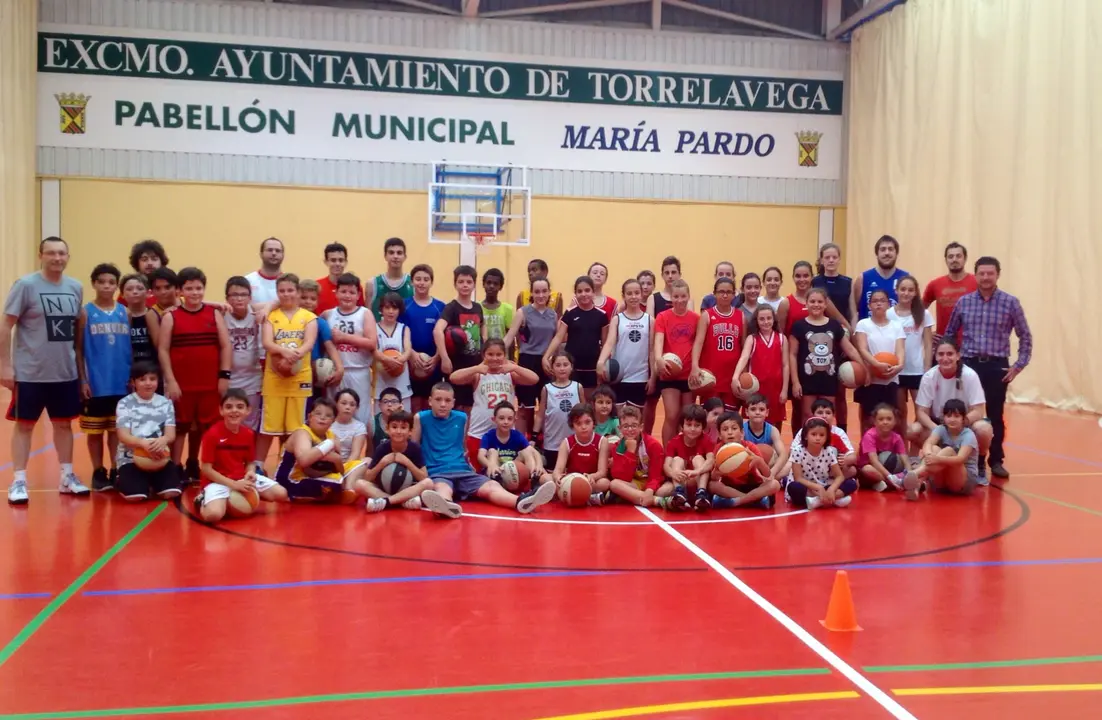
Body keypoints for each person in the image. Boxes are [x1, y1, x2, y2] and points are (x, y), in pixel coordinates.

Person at [2, 237, 87, 503]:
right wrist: (5, 365)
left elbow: (76, 330)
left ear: (68, 256)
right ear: (41, 255)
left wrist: (78, 368)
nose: (57, 258)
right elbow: (6, 326)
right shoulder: (26, 285)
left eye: (62, 253)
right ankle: (18, 481)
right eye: (51, 253)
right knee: (25, 426)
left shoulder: (75, 287)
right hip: (30, 373)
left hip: (64, 372)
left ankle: (67, 476)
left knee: (63, 425)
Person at [943, 256, 1031, 479]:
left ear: (998, 274)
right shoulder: (964, 302)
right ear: (976, 274)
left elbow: (1025, 336)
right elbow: (950, 333)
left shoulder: (1011, 303)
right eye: (981, 273)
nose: (985, 277)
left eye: (990, 273)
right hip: (969, 366)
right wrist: (954, 359)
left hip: (996, 367)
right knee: (967, 414)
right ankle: (973, 459)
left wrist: (1018, 366)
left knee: (994, 415)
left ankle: (996, 460)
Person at [413, 382, 556, 518]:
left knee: (491, 486)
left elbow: (462, 446)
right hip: (437, 471)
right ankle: (446, 506)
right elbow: (413, 449)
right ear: (430, 401)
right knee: (442, 488)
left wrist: (467, 462)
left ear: (453, 402)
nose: (443, 404)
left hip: (462, 470)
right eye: (438, 400)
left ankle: (521, 501)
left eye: (447, 400)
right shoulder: (421, 418)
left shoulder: (461, 418)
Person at [158, 267, 231, 486]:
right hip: (182, 384)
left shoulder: (213, 314)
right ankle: (175, 466)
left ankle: (195, 463)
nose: (194, 292)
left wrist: (224, 375)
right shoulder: (171, 317)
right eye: (189, 288)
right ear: (180, 290)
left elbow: (226, 345)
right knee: (180, 427)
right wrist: (170, 380)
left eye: (198, 288)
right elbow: (163, 350)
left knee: (204, 427)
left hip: (209, 383)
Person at [77, 263, 132, 492]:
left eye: (111, 282)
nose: (107, 286)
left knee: (115, 432)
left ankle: (116, 469)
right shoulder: (85, 312)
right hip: (96, 382)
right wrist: (83, 380)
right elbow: (78, 349)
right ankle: (98, 471)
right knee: (94, 432)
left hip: (120, 381)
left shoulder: (124, 312)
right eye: (102, 282)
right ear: (94, 284)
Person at [197, 389, 288, 522]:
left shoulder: (248, 434)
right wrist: (233, 485)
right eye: (229, 407)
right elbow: (206, 469)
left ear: (248, 410)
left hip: (240, 479)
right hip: (217, 481)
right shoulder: (212, 435)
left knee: (281, 494)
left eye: (240, 407)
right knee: (213, 516)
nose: (234, 410)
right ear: (221, 410)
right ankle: (201, 500)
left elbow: (250, 462)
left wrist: (250, 472)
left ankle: (235, 500)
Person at [909, 339, 993, 481]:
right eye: (941, 354)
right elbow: (921, 412)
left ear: (958, 356)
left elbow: (978, 410)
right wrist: (938, 429)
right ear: (935, 356)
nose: (945, 358)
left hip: (963, 425)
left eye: (950, 354)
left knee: (984, 429)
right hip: (938, 423)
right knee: (913, 430)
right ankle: (922, 462)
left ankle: (980, 461)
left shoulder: (969, 375)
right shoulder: (929, 377)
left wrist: (960, 424)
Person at [257, 273, 317, 471]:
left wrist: (296, 354)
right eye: (281, 291)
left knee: (295, 429)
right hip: (274, 380)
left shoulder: (308, 317)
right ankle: (258, 466)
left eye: (290, 290)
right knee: (268, 428)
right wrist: (286, 352)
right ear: (277, 293)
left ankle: (286, 467)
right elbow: (267, 342)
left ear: (298, 292)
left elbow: (309, 342)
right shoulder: (271, 316)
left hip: (299, 380)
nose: (286, 294)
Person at [450, 339, 539, 467]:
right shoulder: (478, 374)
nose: (494, 358)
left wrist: (515, 367)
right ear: (483, 355)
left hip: (505, 432)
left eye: (499, 354)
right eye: (490, 354)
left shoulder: (510, 374)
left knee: (506, 471)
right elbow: (454, 378)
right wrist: (476, 368)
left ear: (504, 355)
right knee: (479, 471)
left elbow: (534, 379)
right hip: (479, 431)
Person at [790, 287, 861, 422]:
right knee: (808, 416)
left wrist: (864, 366)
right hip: (807, 380)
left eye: (820, 302)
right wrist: (795, 382)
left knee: (827, 416)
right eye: (812, 301)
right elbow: (792, 355)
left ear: (826, 304)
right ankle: (808, 442)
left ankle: (827, 442)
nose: (816, 305)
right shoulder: (799, 326)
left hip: (828, 379)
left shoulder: (834, 325)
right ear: (806, 303)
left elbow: (849, 349)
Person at [114, 362, 179, 501]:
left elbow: (170, 434)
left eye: (152, 379)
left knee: (171, 493)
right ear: (133, 382)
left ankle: (153, 480)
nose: (148, 383)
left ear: (158, 381)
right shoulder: (124, 404)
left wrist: (163, 440)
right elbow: (123, 435)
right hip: (131, 458)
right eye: (142, 379)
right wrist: (142, 443)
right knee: (136, 496)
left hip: (159, 457)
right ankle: (121, 479)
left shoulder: (166, 403)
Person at [273, 397, 354, 502]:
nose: (322, 418)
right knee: (335, 483)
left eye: (328, 415)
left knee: (358, 465)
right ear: (310, 416)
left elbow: (339, 467)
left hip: (316, 475)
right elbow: (304, 462)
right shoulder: (302, 433)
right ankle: (344, 490)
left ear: (333, 421)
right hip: (291, 480)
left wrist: (335, 459)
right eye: (318, 413)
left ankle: (347, 490)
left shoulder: (332, 437)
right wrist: (328, 445)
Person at [504, 275, 556, 436]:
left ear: (549, 293)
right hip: (527, 361)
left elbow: (557, 340)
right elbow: (509, 336)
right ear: (531, 293)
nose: (541, 295)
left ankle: (540, 440)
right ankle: (521, 441)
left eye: (544, 291)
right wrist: (495, 355)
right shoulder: (523, 312)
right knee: (525, 406)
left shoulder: (553, 315)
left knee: (546, 405)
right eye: (537, 292)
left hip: (546, 363)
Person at [354, 409, 434, 512]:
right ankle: (402, 502)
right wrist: (382, 463)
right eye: (394, 427)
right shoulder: (382, 448)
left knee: (429, 483)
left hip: (407, 488)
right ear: (387, 429)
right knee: (359, 484)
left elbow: (424, 477)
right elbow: (367, 478)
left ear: (410, 431)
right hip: (384, 488)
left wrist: (407, 462)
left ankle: (385, 502)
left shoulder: (414, 448)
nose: (398, 431)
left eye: (403, 427)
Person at [545, 276, 609, 401]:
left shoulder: (602, 315)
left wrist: (604, 363)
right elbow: (558, 337)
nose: (583, 294)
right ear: (575, 294)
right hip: (572, 366)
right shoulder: (570, 313)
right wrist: (546, 356)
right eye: (579, 291)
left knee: (589, 403)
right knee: (572, 400)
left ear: (593, 292)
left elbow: (606, 343)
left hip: (592, 367)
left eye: (587, 290)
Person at [326, 272, 376, 425]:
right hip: (335, 373)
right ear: (336, 292)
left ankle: (365, 449)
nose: (347, 296)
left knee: (361, 417)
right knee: (333, 416)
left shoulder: (364, 313)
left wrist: (344, 337)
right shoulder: (328, 315)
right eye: (343, 291)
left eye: (351, 292)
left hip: (358, 371)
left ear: (358, 294)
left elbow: (372, 343)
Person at [852, 288, 906, 431]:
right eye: (875, 301)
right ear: (869, 305)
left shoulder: (896, 325)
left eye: (882, 301)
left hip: (891, 377)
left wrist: (899, 365)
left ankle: (889, 451)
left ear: (889, 304)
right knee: (868, 419)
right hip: (870, 378)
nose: (878, 304)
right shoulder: (863, 324)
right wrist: (876, 364)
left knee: (890, 418)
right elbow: (862, 348)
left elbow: (900, 349)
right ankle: (866, 451)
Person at [596, 277, 652, 413]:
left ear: (641, 294)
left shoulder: (650, 320)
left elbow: (651, 351)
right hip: (619, 376)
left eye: (637, 293)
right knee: (618, 418)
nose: (633, 297)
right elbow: (609, 342)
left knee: (635, 420)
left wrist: (653, 377)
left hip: (640, 376)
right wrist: (601, 362)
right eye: (629, 293)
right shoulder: (617, 319)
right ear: (624, 296)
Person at [654, 279, 699, 445]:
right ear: (671, 298)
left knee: (687, 419)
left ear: (688, 297)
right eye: (676, 296)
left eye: (683, 296)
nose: (680, 300)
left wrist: (696, 367)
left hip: (688, 375)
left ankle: (685, 453)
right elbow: (659, 339)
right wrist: (659, 358)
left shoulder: (696, 318)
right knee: (672, 415)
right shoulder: (663, 317)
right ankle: (668, 454)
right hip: (669, 372)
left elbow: (698, 344)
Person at [434, 265, 484, 413]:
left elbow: (483, 334)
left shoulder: (478, 307)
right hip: (456, 364)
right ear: (455, 284)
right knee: (454, 406)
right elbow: (437, 331)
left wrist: (484, 358)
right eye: (461, 281)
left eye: (469, 282)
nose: (465, 285)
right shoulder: (451, 307)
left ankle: (467, 436)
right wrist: (444, 358)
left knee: (472, 405)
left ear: (474, 284)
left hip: (474, 363)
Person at [539, 402, 610, 506]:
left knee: (605, 483)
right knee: (544, 478)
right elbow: (558, 469)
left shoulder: (602, 441)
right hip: (570, 480)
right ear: (572, 425)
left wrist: (592, 476)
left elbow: (602, 471)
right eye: (578, 423)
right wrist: (557, 477)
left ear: (593, 423)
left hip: (589, 481)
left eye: (587, 422)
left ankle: (567, 495)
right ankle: (587, 497)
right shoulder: (567, 442)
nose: (583, 427)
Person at [888, 276, 934, 431]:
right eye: (903, 289)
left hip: (917, 370)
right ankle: (903, 451)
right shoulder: (889, 314)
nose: (906, 293)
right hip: (897, 370)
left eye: (910, 290)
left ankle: (915, 452)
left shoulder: (924, 314)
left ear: (915, 293)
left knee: (921, 412)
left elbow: (928, 343)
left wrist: (927, 369)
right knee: (900, 412)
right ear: (896, 291)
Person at [733, 304, 788, 430]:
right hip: (756, 388)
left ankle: (774, 448)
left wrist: (784, 389)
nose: (766, 322)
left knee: (775, 422)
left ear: (774, 319)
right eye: (762, 319)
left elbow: (785, 365)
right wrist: (735, 377)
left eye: (769, 318)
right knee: (755, 419)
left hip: (775, 387)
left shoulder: (781, 339)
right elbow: (743, 358)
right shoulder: (752, 339)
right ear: (756, 321)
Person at [692, 277, 743, 411]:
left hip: (731, 377)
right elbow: (698, 343)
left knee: (730, 419)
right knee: (710, 418)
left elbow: (743, 348)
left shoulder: (740, 316)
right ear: (714, 293)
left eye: (728, 292)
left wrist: (743, 373)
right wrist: (695, 366)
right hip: (710, 377)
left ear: (734, 294)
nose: (725, 295)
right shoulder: (707, 315)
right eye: (721, 292)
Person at [709, 412, 778, 510]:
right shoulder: (719, 450)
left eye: (734, 428)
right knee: (712, 485)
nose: (730, 432)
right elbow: (714, 478)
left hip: (752, 485)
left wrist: (759, 461)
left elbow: (767, 476)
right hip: (730, 488)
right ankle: (753, 500)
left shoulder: (750, 447)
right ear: (719, 435)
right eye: (725, 429)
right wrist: (715, 474)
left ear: (742, 433)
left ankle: (736, 502)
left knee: (774, 484)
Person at [401, 264, 446, 413]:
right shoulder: (404, 305)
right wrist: (412, 355)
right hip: (410, 364)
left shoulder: (440, 307)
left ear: (431, 282)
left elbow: (445, 338)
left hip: (433, 365)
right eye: (418, 279)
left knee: (431, 406)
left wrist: (437, 358)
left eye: (426, 279)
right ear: (411, 282)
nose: (421, 282)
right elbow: (399, 333)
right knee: (414, 406)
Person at [784, 417, 856, 510]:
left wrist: (831, 489)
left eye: (821, 435)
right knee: (794, 487)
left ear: (826, 437)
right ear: (806, 436)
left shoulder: (828, 451)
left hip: (824, 485)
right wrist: (818, 488)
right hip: (807, 487)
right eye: (813, 434)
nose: (817, 438)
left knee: (851, 483)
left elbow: (840, 476)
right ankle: (834, 499)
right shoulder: (797, 451)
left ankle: (818, 501)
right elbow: (798, 478)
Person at [913, 399, 979, 497]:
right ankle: (916, 482)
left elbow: (960, 459)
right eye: (949, 416)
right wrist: (928, 455)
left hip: (962, 484)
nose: (952, 419)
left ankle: (914, 475)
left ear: (963, 419)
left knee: (949, 451)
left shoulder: (968, 435)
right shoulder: (941, 429)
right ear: (943, 417)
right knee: (934, 448)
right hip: (941, 484)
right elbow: (928, 443)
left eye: (956, 416)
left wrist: (937, 459)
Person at [223, 277, 264, 431]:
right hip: (229, 378)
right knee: (229, 420)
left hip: (252, 378)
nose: (239, 298)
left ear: (250, 297)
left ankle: (248, 454)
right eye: (234, 295)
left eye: (243, 294)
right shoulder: (221, 313)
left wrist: (266, 309)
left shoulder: (255, 312)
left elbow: (280, 301)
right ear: (227, 298)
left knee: (250, 420)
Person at [607, 405, 667, 506]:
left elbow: (656, 476)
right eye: (626, 426)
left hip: (653, 483)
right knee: (614, 484)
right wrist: (630, 452)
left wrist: (650, 490)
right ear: (619, 428)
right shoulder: (618, 447)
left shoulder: (653, 445)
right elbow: (621, 477)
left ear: (641, 427)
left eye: (634, 425)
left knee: (663, 491)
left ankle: (640, 498)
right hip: (634, 483)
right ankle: (656, 501)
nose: (630, 429)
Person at [660, 404, 715, 511]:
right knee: (677, 460)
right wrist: (673, 473)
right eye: (689, 425)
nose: (693, 429)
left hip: (698, 480)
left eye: (697, 425)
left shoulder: (706, 440)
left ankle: (701, 493)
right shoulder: (674, 442)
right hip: (681, 480)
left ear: (703, 427)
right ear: (682, 426)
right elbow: (666, 465)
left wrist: (698, 471)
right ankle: (679, 493)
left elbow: (711, 460)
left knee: (698, 459)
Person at [533, 350, 582, 469]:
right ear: (552, 368)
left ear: (571, 367)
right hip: (553, 442)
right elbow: (540, 415)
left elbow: (585, 412)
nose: (562, 368)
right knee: (553, 471)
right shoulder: (547, 389)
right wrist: (534, 437)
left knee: (572, 473)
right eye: (558, 365)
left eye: (565, 365)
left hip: (574, 440)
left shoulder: (577, 387)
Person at [477, 401, 543, 486]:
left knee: (527, 452)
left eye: (509, 419)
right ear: (494, 419)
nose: (506, 422)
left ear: (514, 420)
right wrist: (490, 465)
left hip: (514, 471)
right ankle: (496, 478)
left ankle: (534, 479)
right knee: (492, 451)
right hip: (497, 469)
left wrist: (539, 465)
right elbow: (480, 456)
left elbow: (533, 451)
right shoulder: (488, 436)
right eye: (501, 418)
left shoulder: (517, 435)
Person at [923, 242, 976, 345]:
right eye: (950, 256)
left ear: (965, 259)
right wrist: (926, 333)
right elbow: (917, 311)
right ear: (946, 260)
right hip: (944, 346)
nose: (954, 259)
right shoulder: (935, 284)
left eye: (958, 256)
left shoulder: (976, 282)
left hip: (970, 346)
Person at [858, 403, 918, 493]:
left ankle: (894, 483)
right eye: (881, 419)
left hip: (891, 470)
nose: (885, 422)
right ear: (874, 421)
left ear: (895, 421)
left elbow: (904, 458)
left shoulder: (897, 437)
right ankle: (897, 483)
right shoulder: (869, 436)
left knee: (915, 466)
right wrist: (890, 477)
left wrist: (909, 473)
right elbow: (874, 461)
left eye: (889, 419)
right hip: (871, 472)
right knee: (868, 469)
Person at [372, 292, 413, 413]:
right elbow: (373, 350)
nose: (391, 311)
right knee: (381, 420)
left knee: (403, 419)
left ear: (399, 310)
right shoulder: (373, 328)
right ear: (381, 309)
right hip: (381, 381)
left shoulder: (404, 328)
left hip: (401, 381)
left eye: (394, 308)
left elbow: (408, 350)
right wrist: (387, 360)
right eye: (387, 307)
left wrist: (399, 361)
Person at [853, 234, 908, 321]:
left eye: (890, 249)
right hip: (869, 333)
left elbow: (915, 308)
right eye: (883, 249)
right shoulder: (863, 278)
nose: (887, 253)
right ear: (877, 254)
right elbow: (853, 311)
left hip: (897, 332)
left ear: (896, 253)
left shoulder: (906, 278)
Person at [121, 274, 160, 384]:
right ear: (122, 294)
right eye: (129, 289)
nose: (134, 292)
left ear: (148, 293)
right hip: (128, 372)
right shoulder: (119, 317)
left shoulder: (155, 316)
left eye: (140, 288)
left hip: (153, 372)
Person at [365, 237, 414, 321]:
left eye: (399, 253)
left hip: (405, 333)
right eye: (391, 253)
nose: (395, 256)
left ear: (405, 257)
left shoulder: (413, 284)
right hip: (378, 333)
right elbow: (367, 318)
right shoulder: (372, 284)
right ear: (385, 256)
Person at [812, 242, 856, 329]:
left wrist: (853, 331)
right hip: (820, 328)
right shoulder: (814, 282)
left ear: (839, 259)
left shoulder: (848, 282)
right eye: (827, 257)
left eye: (834, 257)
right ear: (821, 260)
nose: (831, 260)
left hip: (843, 328)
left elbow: (853, 312)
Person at [315, 242, 365, 314]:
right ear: (326, 262)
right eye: (333, 260)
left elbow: (360, 312)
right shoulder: (317, 286)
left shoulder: (355, 287)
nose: (337, 264)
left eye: (341, 260)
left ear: (346, 262)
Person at [120, 239, 169, 308]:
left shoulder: (171, 285)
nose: (150, 263)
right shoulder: (129, 289)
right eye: (144, 259)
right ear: (137, 263)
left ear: (161, 262)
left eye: (154, 259)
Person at [331, 389, 368, 465]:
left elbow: (355, 453)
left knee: (368, 460)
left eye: (352, 405)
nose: (347, 407)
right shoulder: (328, 423)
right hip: (330, 463)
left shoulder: (359, 426)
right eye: (343, 403)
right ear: (336, 404)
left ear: (357, 408)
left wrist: (344, 469)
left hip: (350, 465)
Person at [245, 237, 285, 306]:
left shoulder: (290, 283)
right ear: (261, 254)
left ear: (283, 255)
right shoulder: (248, 281)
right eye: (269, 250)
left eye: (278, 251)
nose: (274, 253)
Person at [480, 268, 514, 344]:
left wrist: (511, 356)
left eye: (495, 284)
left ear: (500, 287)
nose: (491, 286)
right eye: (488, 283)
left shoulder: (507, 309)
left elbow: (510, 337)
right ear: (483, 284)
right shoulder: (477, 307)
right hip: (482, 353)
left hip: (501, 354)